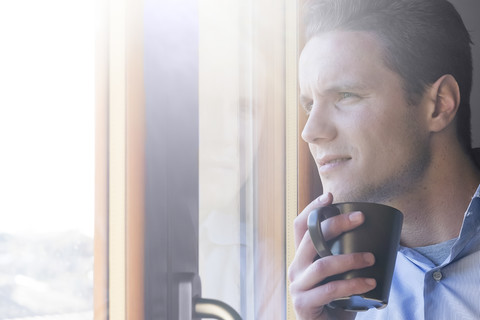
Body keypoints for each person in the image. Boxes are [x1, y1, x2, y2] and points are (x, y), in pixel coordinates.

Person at [287, 0, 480, 319]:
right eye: (310, 105)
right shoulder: (334, 298)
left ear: (439, 105)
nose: (310, 131)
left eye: (346, 96)